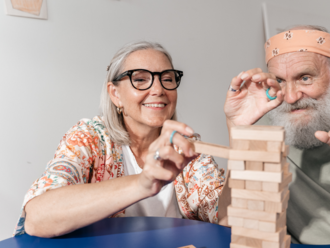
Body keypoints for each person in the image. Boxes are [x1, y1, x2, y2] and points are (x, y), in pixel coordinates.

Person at [14, 41, 226, 238]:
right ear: (115, 94)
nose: (159, 89)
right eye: (141, 79)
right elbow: (38, 219)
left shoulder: (186, 148)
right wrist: (142, 184)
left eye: (167, 79)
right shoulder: (90, 137)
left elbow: (227, 216)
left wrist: (239, 129)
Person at [224, 25, 330, 245]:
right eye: (280, 81)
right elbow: (228, 221)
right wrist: (238, 130)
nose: (291, 97)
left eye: (305, 78)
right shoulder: (271, 138)